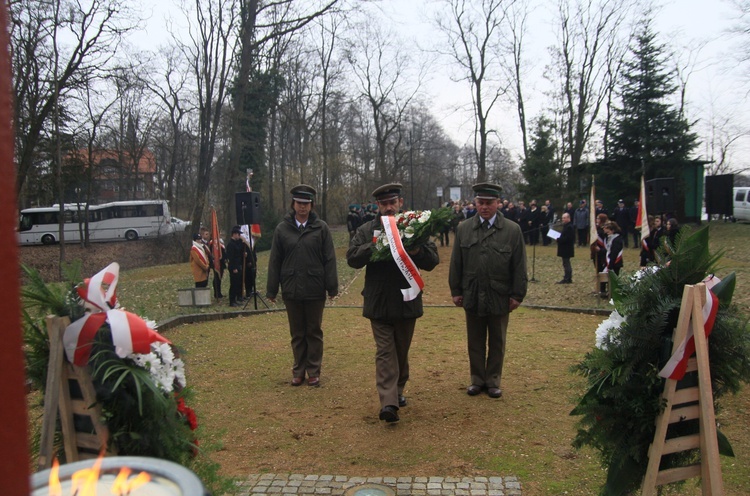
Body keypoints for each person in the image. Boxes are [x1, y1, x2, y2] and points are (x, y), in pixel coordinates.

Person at [346, 183, 439, 423]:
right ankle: (388, 402)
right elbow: (352, 258)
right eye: (384, 203)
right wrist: (375, 245)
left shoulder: (414, 226)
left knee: (401, 350)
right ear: (378, 206)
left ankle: (398, 390)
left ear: (400, 203)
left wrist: (416, 249)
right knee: (385, 351)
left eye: (392, 202)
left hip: (407, 301)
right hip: (378, 302)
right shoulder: (368, 229)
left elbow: (432, 260)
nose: (389, 207)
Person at [449, 183, 527, 399]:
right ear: (475, 203)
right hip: (472, 292)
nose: (484, 207)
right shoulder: (464, 228)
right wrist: (456, 290)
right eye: (480, 202)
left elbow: (519, 265)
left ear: (498, 203)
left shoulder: (512, 230)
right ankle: (477, 379)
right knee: (474, 339)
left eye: (489, 203)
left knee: (497, 339)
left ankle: (493, 380)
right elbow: (457, 262)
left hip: (499, 294)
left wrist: (517, 294)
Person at [266, 185, 339, 388]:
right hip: (291, 289)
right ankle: (299, 370)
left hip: (315, 288)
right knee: (297, 333)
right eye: (299, 203)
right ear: (293, 204)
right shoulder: (282, 229)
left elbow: (329, 259)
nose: (302, 208)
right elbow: (275, 261)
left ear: (311, 205)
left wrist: (332, 287)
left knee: (313, 331)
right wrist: (272, 290)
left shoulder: (321, 228)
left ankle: (313, 371)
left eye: (306, 204)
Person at [226, 226, 246, 307]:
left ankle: (236, 299)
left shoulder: (236, 244)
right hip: (234, 267)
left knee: (237, 283)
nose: (239, 236)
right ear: (234, 234)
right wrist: (234, 268)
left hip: (238, 265)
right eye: (238, 234)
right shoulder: (231, 244)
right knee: (233, 284)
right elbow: (231, 258)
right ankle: (232, 300)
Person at [591, 213, 609, 297]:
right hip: (596, 254)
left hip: (602, 254)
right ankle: (599, 288)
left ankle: (603, 289)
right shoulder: (596, 229)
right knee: (598, 271)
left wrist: (600, 249)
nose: (597, 220)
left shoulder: (603, 231)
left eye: (598, 218)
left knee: (602, 271)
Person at [556, 212, 575, 284]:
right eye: (562, 218)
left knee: (566, 263)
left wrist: (559, 239)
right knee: (565, 263)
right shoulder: (566, 226)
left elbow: (568, 238)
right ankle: (567, 277)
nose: (563, 219)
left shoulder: (569, 227)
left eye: (564, 218)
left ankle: (567, 278)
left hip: (567, 248)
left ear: (568, 218)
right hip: (565, 248)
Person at [210, 233, 226, 299]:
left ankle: (219, 292)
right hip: (217, 263)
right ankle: (216, 293)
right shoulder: (212, 242)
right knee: (217, 278)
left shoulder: (221, 241)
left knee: (219, 278)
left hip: (221, 263)